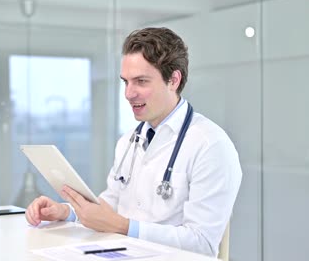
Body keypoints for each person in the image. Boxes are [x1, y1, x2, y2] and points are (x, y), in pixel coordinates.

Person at [25, 27, 242, 257]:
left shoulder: (210, 145)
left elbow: (202, 244)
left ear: (174, 80)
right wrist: (66, 212)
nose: (129, 93)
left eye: (140, 81)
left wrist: (123, 226)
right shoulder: (129, 141)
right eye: (126, 82)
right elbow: (110, 206)